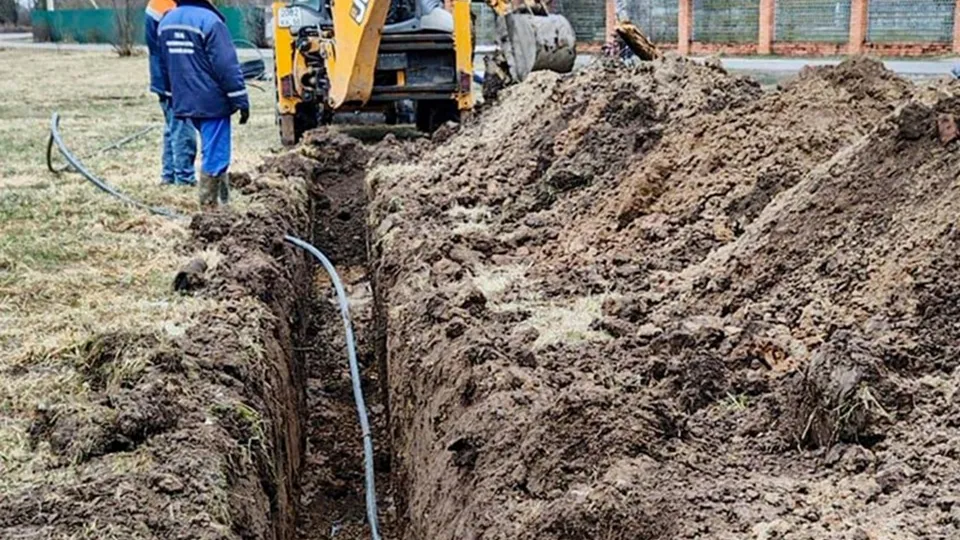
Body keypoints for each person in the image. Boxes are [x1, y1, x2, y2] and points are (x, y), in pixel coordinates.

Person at [158, 0, 249, 208]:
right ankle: (210, 207)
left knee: (212, 149)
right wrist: (240, 99)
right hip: (212, 100)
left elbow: (163, 63)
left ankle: (224, 202)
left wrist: (171, 94)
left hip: (184, 98)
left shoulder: (166, 22)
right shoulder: (210, 22)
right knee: (216, 152)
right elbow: (226, 65)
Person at [145, 0, 197, 186]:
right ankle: (184, 178)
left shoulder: (160, 4)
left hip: (165, 77)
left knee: (172, 127)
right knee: (183, 129)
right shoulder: (167, 7)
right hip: (172, 79)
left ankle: (169, 175)